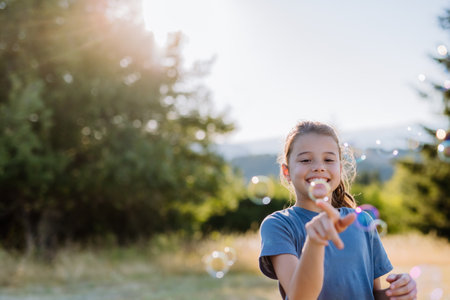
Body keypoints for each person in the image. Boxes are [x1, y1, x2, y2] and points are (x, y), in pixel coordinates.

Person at [259, 121, 417, 300]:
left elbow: (373, 295)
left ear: (340, 169)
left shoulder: (362, 221)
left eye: (328, 159)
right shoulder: (279, 225)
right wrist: (315, 242)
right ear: (286, 172)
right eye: (305, 160)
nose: (319, 167)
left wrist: (398, 293)